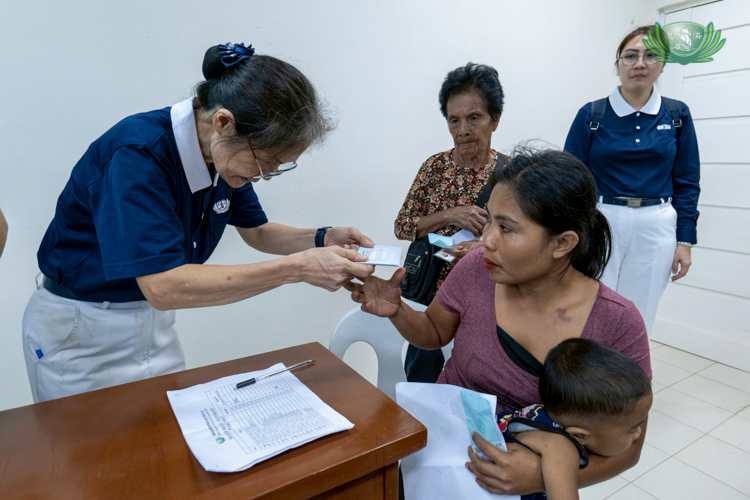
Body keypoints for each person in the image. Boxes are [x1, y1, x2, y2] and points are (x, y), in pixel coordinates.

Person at [23, 43, 375, 403]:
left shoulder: (223, 156)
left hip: (152, 323)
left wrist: (321, 238)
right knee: (90, 453)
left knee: (167, 440)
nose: (267, 175)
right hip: (82, 329)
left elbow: (257, 231)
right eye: (267, 161)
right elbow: (163, 285)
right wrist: (297, 269)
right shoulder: (138, 154)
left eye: (280, 165)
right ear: (223, 122)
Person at [346, 147, 652, 496]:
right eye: (489, 219)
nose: (487, 240)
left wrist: (538, 477)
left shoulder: (617, 323)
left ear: (563, 243)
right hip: (442, 456)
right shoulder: (476, 269)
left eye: (507, 228)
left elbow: (629, 446)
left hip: (533, 481)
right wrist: (398, 310)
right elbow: (433, 332)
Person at [564, 25, 700, 336]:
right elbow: (569, 178)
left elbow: (687, 180)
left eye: (651, 55)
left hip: (657, 225)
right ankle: (582, 379)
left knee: (639, 313)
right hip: (601, 219)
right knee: (591, 305)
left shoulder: (677, 115)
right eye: (630, 55)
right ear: (618, 64)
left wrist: (685, 240)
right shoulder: (592, 114)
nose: (640, 63)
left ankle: (627, 380)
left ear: (663, 64)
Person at [394, 62, 504, 383]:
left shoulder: (509, 173)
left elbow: (526, 239)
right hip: (431, 296)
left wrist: (482, 245)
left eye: (474, 118)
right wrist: (449, 215)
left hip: (488, 298)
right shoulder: (435, 168)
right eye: (453, 120)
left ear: (494, 119)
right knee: (422, 380)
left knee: (477, 381)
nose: (463, 130)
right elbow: (402, 226)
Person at [490, 338, 652, 500]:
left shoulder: (542, 412)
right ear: (580, 436)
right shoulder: (560, 448)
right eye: (632, 428)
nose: (638, 433)